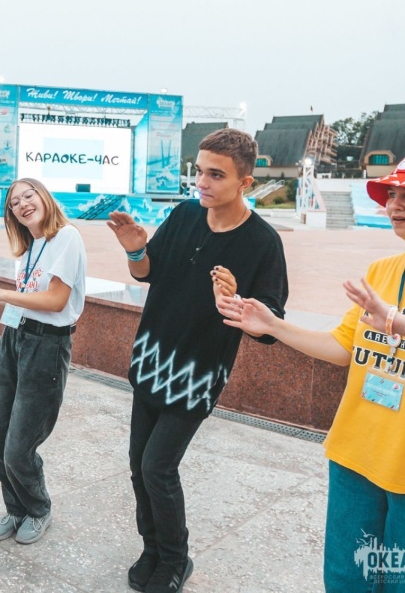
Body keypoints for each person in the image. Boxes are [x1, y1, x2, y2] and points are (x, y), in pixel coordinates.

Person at [220, 152, 405, 592]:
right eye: (392, 193)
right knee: (346, 580)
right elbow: (344, 347)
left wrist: (396, 320)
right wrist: (272, 326)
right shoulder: (382, 271)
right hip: (355, 455)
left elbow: (400, 325)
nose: (395, 203)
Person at [107, 128, 288, 593]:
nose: (201, 183)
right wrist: (134, 249)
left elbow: (269, 326)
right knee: (138, 465)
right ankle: (151, 549)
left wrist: (238, 303)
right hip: (151, 361)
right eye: (200, 171)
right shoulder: (185, 214)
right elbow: (148, 273)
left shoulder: (262, 242)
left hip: (197, 375)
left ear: (245, 182)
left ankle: (175, 559)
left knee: (158, 467)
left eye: (216, 175)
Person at [0, 177, 86, 545]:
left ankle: (38, 509)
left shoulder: (66, 237)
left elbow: (55, 300)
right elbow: (26, 298)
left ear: (44, 197)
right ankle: (16, 508)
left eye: (28, 196)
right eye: (14, 203)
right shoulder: (29, 247)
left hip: (47, 345)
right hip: (14, 337)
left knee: (19, 446)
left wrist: (2, 294)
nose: (22, 205)